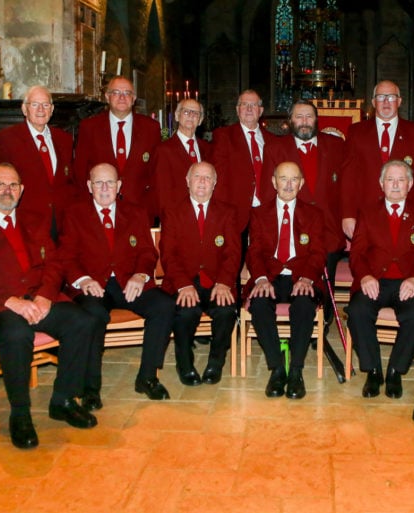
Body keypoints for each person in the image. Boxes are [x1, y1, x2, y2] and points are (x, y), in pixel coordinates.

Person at [0, 163, 100, 449]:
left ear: (22, 190)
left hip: (35, 300)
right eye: (0, 184)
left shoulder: (35, 219)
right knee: (17, 333)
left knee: (83, 320)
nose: (8, 190)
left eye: (14, 185)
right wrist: (10, 302)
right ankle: (20, 415)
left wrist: (44, 295)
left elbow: (53, 264)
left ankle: (63, 400)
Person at [57, 163, 175, 404]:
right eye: (98, 182)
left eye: (110, 182)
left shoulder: (135, 212)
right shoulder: (74, 213)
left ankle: (147, 377)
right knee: (92, 314)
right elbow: (66, 256)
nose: (104, 188)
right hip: (92, 285)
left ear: (119, 185)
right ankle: (91, 388)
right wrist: (84, 279)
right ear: (89, 186)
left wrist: (140, 275)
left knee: (164, 305)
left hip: (126, 282)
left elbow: (146, 252)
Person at [346, 160, 414, 399]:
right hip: (376, 280)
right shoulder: (368, 213)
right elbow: (357, 254)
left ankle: (395, 370)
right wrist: (366, 276)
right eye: (390, 180)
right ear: (381, 184)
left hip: (408, 282)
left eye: (401, 180)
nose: (395, 185)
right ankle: (373, 371)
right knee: (358, 310)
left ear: (410, 184)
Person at [262, 100, 346, 332]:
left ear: (317, 120)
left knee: (323, 273)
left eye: (309, 116)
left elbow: (346, 187)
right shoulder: (275, 148)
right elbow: (268, 190)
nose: (305, 122)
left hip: (327, 227)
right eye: (299, 117)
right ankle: (294, 323)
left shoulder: (336, 145)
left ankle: (323, 323)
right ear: (290, 121)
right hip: (290, 226)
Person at [246, 162, 325, 399]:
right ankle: (277, 368)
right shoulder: (259, 214)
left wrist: (307, 279)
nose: (289, 185)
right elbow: (254, 252)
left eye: (294, 180)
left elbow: (318, 252)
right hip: (268, 276)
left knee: (303, 304)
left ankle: (296, 372)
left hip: (301, 277)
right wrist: (260, 279)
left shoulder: (314, 214)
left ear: (301, 183)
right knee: (259, 304)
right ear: (273, 182)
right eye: (283, 179)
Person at [160, 162, 240, 385]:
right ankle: (184, 364)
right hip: (184, 282)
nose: (202, 182)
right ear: (187, 181)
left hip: (216, 282)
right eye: (197, 177)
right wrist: (183, 284)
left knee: (225, 311)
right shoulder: (173, 212)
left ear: (215, 183)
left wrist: (224, 282)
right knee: (185, 313)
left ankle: (216, 363)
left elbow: (233, 253)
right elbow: (168, 254)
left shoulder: (228, 213)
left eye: (208, 178)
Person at [339, 80, 414, 239]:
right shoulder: (356, 132)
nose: (386, 101)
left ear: (399, 101)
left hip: (405, 214)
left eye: (391, 97)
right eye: (380, 97)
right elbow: (348, 177)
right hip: (366, 215)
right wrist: (348, 214)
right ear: (374, 102)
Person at [0, 85, 77, 239]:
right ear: (25, 109)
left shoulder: (64, 139)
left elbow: (70, 181)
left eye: (45, 105)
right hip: (27, 222)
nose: (41, 109)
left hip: (61, 223)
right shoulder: (8, 139)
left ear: (52, 110)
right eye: (35, 104)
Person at [73, 76, 162, 217]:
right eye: (116, 92)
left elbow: (157, 172)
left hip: (140, 210)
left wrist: (151, 207)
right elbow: (80, 171)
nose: (122, 97)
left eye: (127, 93)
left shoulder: (151, 128)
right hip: (99, 209)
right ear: (107, 97)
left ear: (134, 99)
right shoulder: (89, 127)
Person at [211, 89, 278, 235]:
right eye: (244, 104)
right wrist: (221, 211)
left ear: (260, 111)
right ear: (237, 109)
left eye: (253, 105)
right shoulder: (224, 136)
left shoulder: (274, 141)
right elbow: (218, 175)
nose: (248, 109)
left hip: (266, 213)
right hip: (235, 212)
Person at [152, 98, 212, 213]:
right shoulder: (163, 150)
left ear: (200, 120)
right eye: (186, 112)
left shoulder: (209, 149)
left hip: (205, 215)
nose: (190, 115)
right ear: (176, 116)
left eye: (195, 113)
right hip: (177, 216)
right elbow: (162, 193)